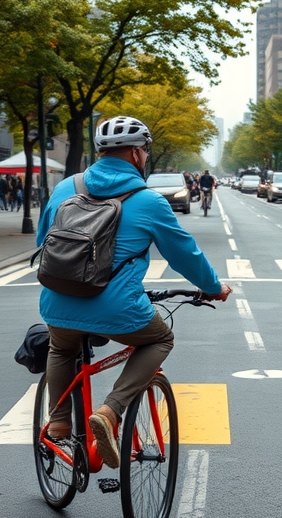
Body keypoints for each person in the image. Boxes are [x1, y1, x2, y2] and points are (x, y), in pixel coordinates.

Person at [37, 115, 231, 469]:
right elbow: (185, 255)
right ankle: (110, 412)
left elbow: (42, 244)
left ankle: (60, 420)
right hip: (116, 307)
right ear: (138, 154)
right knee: (159, 340)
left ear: (100, 151)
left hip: (57, 300)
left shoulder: (66, 188)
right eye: (144, 150)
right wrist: (213, 287)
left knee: (61, 346)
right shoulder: (149, 202)